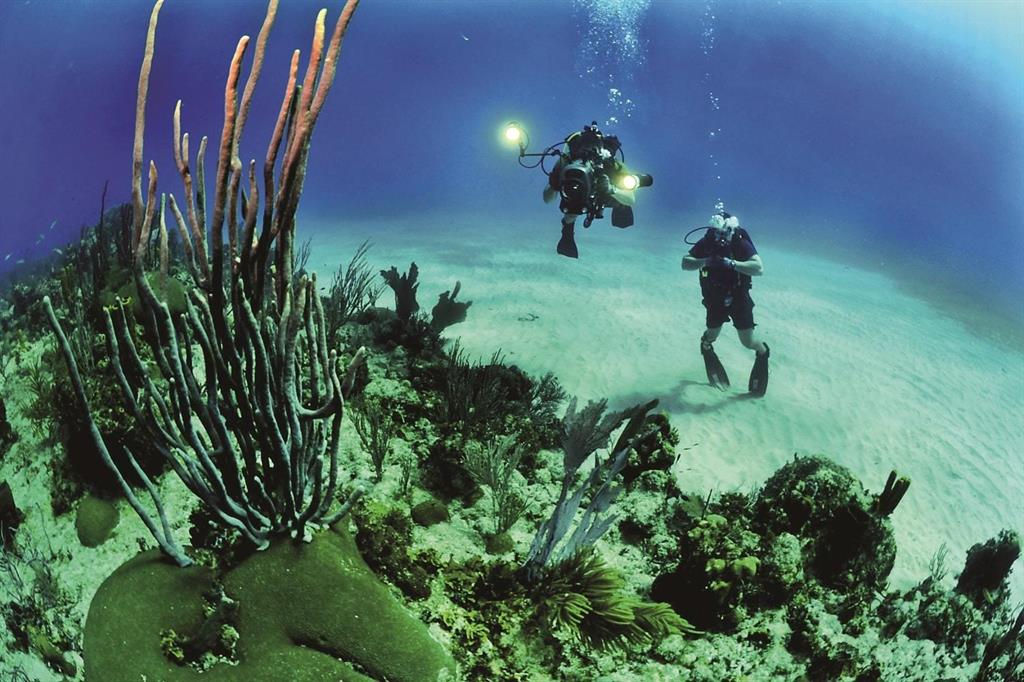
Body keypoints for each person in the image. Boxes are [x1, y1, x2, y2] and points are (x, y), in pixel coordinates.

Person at [681, 211, 770, 396]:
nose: (721, 238)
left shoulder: (740, 243)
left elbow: (759, 268)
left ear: (732, 230)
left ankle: (763, 352)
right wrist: (705, 261)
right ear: (712, 230)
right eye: (717, 233)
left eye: (726, 233)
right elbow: (685, 263)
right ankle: (706, 346)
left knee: (748, 342)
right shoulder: (706, 242)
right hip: (714, 298)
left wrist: (732, 263)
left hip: (739, 298)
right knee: (712, 335)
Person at [542, 122, 636, 258]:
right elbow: (547, 199)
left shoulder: (611, 166)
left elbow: (631, 199)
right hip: (578, 197)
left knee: (623, 203)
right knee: (570, 215)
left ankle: (619, 207)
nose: (587, 152)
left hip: (605, 194)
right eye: (583, 147)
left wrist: (611, 189)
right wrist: (553, 184)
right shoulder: (565, 163)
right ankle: (567, 230)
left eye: (592, 147)